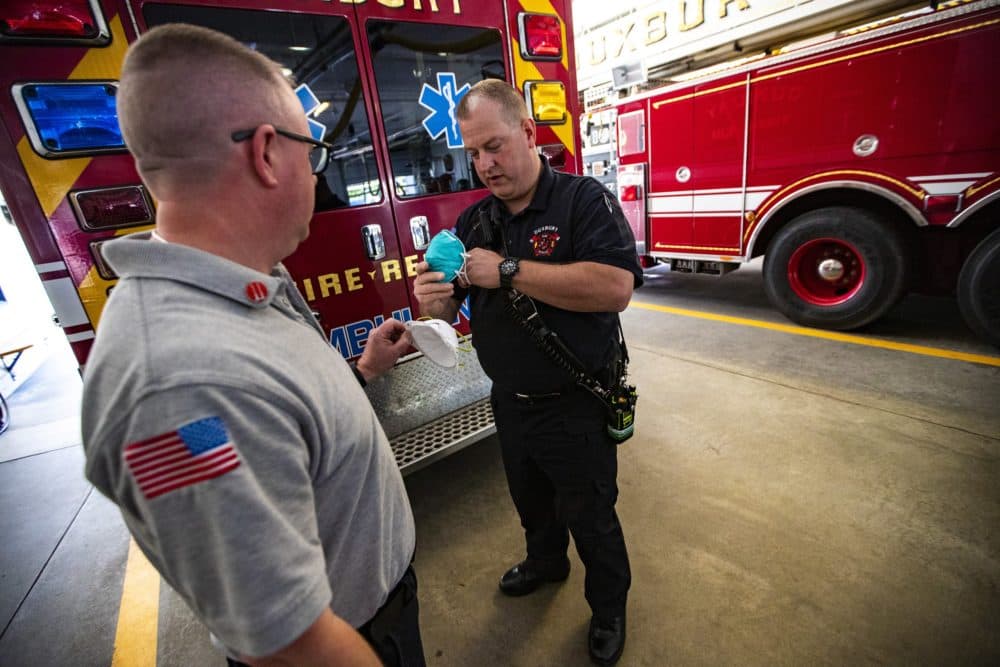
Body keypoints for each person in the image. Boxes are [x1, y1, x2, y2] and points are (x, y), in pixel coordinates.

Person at [81, 24, 425, 667]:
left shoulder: (247, 282)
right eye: (312, 152)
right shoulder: (179, 387)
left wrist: (362, 369)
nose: (316, 174)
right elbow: (287, 643)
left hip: (380, 606)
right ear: (267, 153)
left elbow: (281, 420)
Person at [413, 80, 642, 666]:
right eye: (472, 153)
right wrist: (431, 297)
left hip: (576, 401)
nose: (484, 165)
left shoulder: (582, 201)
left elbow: (616, 288)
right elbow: (446, 311)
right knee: (531, 501)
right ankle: (545, 563)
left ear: (528, 134)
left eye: (493, 147)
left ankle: (608, 607)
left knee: (590, 514)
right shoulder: (472, 223)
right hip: (509, 402)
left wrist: (509, 270)